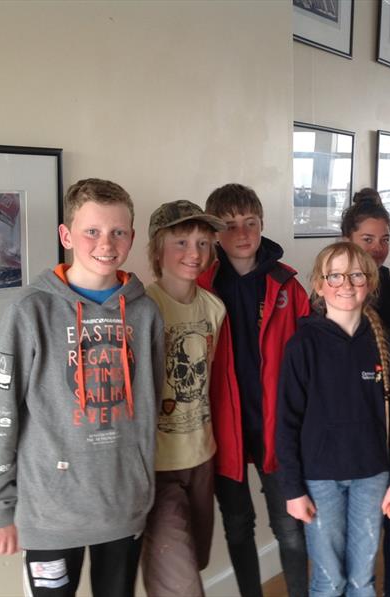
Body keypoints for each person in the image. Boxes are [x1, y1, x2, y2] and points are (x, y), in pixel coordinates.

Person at [0, 178, 164, 596]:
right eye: (91, 231)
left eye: (118, 232)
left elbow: (150, 405)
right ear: (66, 235)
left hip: (123, 506)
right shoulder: (30, 311)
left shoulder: (145, 313)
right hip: (50, 514)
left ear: (131, 236)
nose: (106, 243)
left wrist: (142, 485)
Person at [277, 241, 390, 597]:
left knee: (361, 580)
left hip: (373, 476)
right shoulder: (302, 345)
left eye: (356, 274)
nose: (346, 284)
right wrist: (293, 489)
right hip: (319, 480)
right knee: (329, 579)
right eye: (335, 276)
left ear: (369, 282)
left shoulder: (385, 343)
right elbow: (287, 423)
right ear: (320, 286)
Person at [198, 183, 310, 597]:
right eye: (229, 226)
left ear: (262, 226)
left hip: (277, 427)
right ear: (214, 233)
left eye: (251, 224)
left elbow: (306, 364)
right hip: (225, 428)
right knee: (239, 526)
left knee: (289, 527)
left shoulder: (287, 287)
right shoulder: (202, 288)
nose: (242, 234)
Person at [141, 200, 228, 596]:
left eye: (203, 243)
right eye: (181, 242)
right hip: (157, 467)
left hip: (201, 457)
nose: (194, 253)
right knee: (179, 582)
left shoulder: (214, 308)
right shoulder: (143, 308)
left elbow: (210, 379)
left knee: (195, 562)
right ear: (158, 249)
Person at [340, 188, 390, 597]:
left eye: (384, 239)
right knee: (356, 529)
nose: (378, 248)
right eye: (368, 239)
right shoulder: (328, 295)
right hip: (348, 435)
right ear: (347, 240)